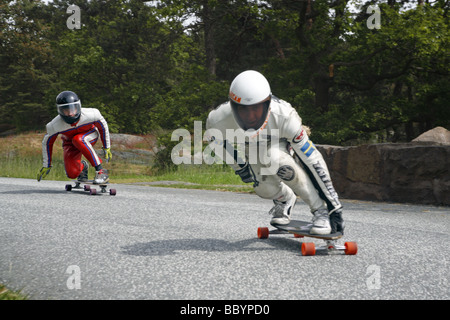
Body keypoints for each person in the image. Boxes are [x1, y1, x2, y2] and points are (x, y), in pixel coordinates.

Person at [206, 70, 344, 235]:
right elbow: (216, 141)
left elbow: (312, 159)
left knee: (275, 160)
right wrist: (239, 166)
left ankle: (319, 211)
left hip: (278, 141)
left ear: (268, 103)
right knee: (264, 189)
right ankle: (284, 199)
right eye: (244, 110)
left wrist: (333, 206)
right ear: (233, 106)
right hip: (251, 145)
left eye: (256, 109)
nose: (250, 117)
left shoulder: (285, 116)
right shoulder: (217, 119)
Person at [37, 91, 112, 184]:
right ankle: (83, 167)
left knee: (79, 139)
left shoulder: (92, 114)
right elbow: (47, 143)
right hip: (69, 143)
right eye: (66, 110)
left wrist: (107, 146)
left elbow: (103, 127)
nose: (70, 114)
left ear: (78, 106)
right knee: (72, 174)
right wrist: (46, 164)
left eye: (73, 109)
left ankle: (101, 171)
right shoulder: (54, 126)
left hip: (90, 135)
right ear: (60, 111)